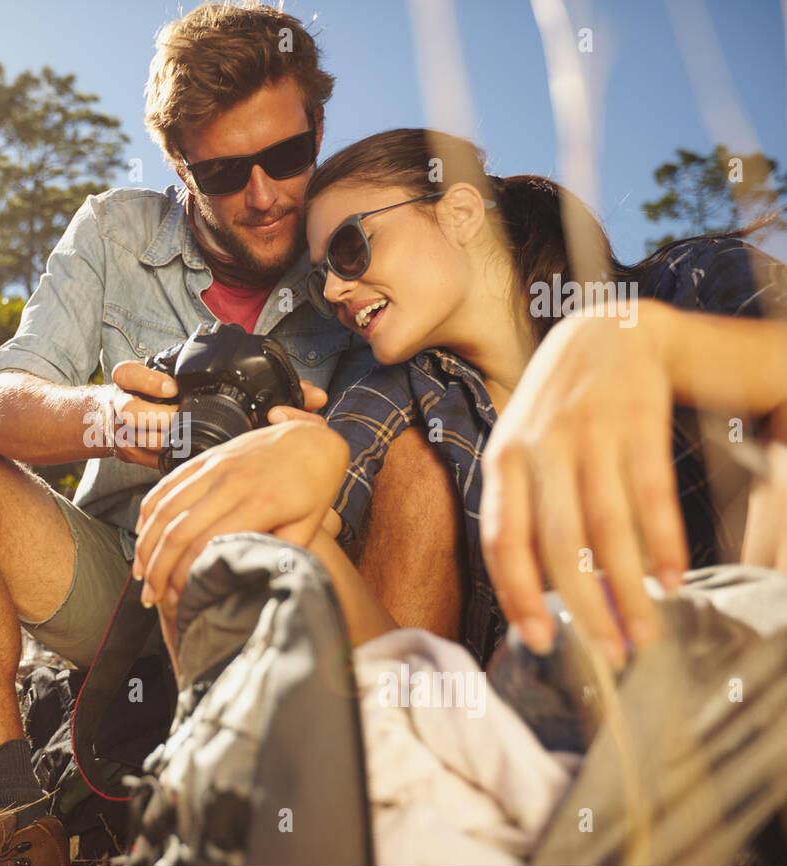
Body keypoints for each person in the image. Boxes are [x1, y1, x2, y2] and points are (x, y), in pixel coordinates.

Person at [0, 7, 459, 866]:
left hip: (297, 578)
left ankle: (401, 807)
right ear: (178, 167)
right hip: (120, 579)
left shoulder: (356, 251)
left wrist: (308, 447)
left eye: (288, 158)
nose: (263, 196)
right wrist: (116, 418)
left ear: (319, 130)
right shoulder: (114, 231)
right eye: (223, 172)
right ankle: (8, 832)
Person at [132, 127, 787, 678]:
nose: (332, 288)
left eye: (349, 248)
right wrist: (295, 521)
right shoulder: (403, 400)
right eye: (319, 276)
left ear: (461, 214)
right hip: (570, 756)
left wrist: (648, 345)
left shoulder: (687, 284)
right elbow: (391, 676)